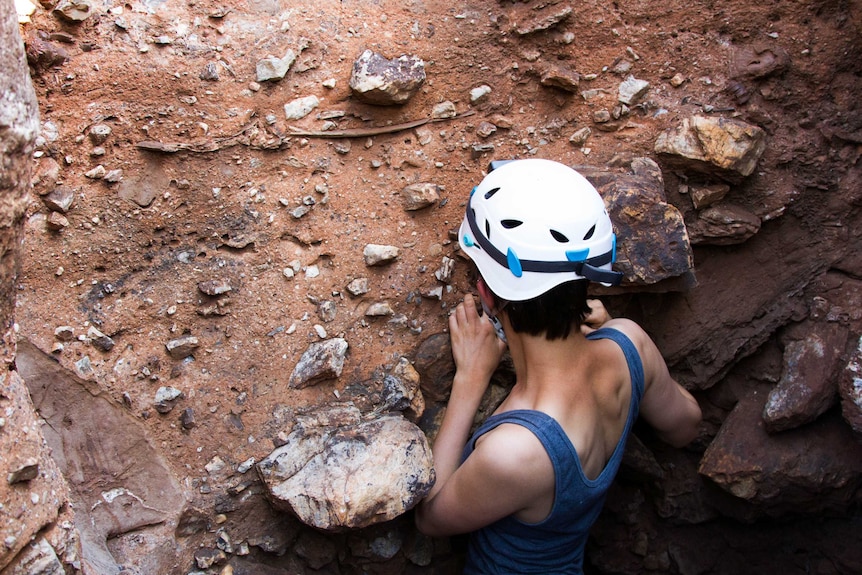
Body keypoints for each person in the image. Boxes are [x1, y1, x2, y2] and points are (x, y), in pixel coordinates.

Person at [414, 158, 702, 574]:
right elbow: (686, 426)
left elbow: (430, 518)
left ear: (487, 294)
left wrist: (471, 379)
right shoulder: (630, 345)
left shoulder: (515, 452)